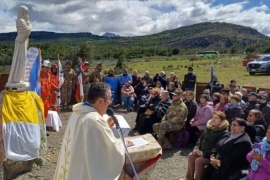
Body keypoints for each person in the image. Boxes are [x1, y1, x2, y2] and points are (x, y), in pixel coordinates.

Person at [54, 82, 126, 179]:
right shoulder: (94, 120)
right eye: (109, 98)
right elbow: (109, 149)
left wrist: (105, 127)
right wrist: (122, 145)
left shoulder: (77, 113)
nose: (110, 102)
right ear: (100, 101)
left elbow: (88, 140)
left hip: (75, 164)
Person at [184, 111, 229, 180]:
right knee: (191, 155)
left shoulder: (224, 132)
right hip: (201, 151)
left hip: (211, 155)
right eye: (213, 117)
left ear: (222, 121)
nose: (213, 119)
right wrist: (196, 148)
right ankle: (189, 178)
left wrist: (204, 153)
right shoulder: (210, 127)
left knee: (199, 161)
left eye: (216, 118)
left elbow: (217, 147)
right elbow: (201, 138)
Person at [7, 6, 32, 84]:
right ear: (22, 12)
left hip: (22, 42)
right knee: (19, 60)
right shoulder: (20, 20)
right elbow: (26, 31)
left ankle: (20, 78)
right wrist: (30, 24)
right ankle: (16, 79)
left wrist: (27, 21)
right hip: (20, 42)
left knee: (22, 60)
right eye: (25, 12)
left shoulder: (23, 20)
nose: (26, 14)